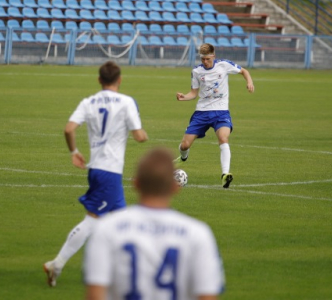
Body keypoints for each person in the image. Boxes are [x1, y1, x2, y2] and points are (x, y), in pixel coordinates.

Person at [43, 61, 148, 287]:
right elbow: (140, 137)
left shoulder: (88, 102)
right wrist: (141, 130)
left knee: (121, 221)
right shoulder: (127, 102)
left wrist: (74, 151)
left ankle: (122, 271)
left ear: (99, 80)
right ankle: (57, 263)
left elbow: (69, 128)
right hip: (109, 171)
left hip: (98, 169)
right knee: (93, 221)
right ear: (119, 80)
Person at [84, 147, 225, 300]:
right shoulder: (199, 234)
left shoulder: (106, 229)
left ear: (136, 183)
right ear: (175, 188)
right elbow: (207, 295)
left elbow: (95, 294)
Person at [175, 43, 254, 188]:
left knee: (223, 138)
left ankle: (225, 174)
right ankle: (183, 157)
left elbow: (244, 71)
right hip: (201, 113)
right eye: (202, 59)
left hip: (221, 112)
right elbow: (194, 93)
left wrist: (249, 82)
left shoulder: (224, 65)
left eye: (207, 59)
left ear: (213, 56)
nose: (205, 62)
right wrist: (184, 97)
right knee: (185, 145)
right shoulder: (197, 71)